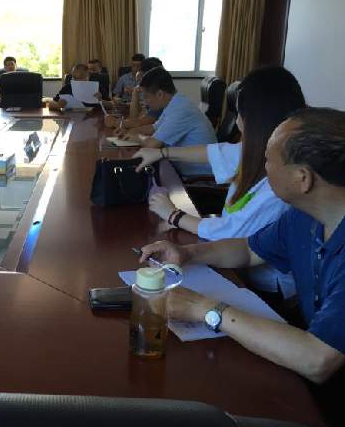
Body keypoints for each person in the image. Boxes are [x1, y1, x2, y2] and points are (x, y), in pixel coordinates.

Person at [138, 108, 345, 388]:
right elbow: (249, 250)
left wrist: (205, 309)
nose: (263, 167)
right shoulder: (303, 216)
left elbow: (317, 359)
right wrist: (189, 253)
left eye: (269, 160)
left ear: (302, 178)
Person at [132, 66, 307, 299]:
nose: (238, 122)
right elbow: (216, 152)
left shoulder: (281, 180)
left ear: (254, 120)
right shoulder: (259, 150)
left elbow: (233, 236)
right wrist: (162, 153)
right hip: (233, 262)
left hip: (262, 286)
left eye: (240, 114)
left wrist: (174, 215)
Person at [122, 67, 216, 176]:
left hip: (197, 176)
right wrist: (131, 131)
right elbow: (154, 127)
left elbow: (152, 144)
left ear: (160, 94)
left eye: (146, 97)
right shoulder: (175, 103)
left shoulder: (181, 109)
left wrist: (138, 137)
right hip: (179, 168)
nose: (145, 102)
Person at [105, 57, 163, 130]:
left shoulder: (160, 98)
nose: (141, 86)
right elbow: (135, 119)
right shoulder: (152, 96)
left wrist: (115, 122)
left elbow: (139, 123)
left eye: (142, 82)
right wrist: (135, 92)